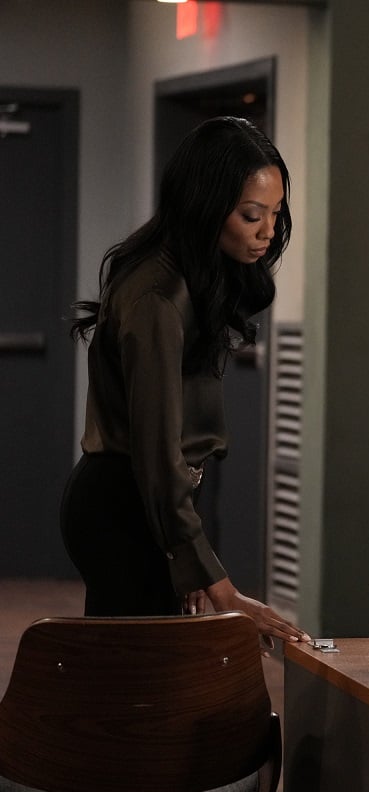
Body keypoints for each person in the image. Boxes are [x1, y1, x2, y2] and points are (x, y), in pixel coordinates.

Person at [62, 116, 309, 644]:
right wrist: (213, 580)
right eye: (251, 215)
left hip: (157, 504)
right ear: (205, 206)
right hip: (126, 505)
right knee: (136, 688)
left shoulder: (196, 275)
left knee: (155, 683)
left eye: (276, 212)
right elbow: (155, 453)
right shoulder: (156, 295)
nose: (268, 231)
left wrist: (188, 556)